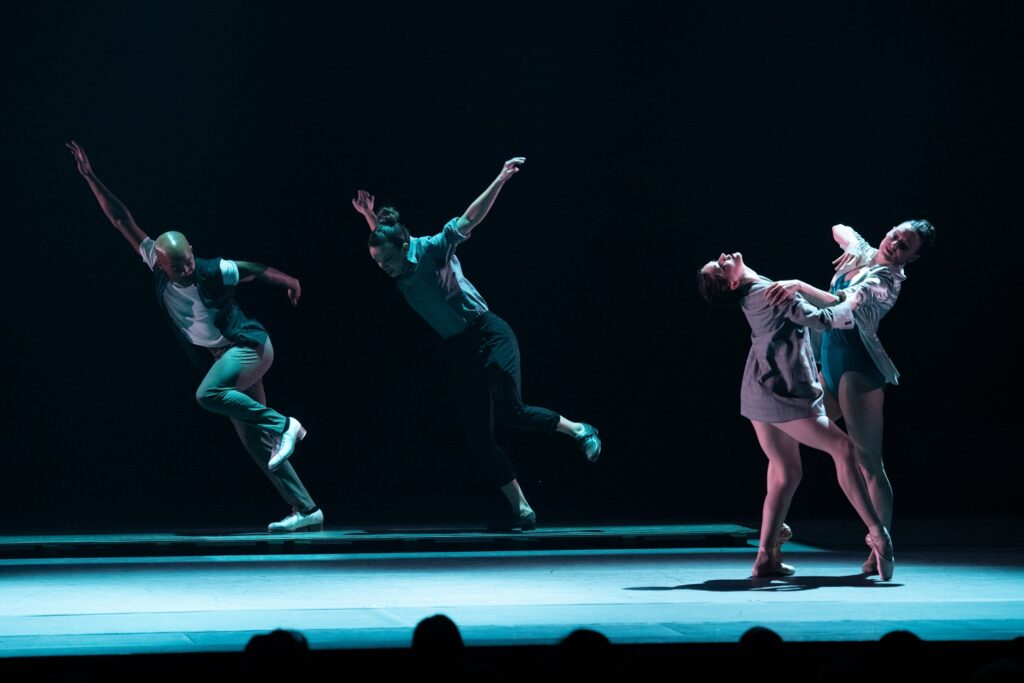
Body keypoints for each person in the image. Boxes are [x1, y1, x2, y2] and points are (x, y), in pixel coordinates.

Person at [66, 140, 322, 533]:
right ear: (160, 262)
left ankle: (284, 424)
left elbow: (254, 269)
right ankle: (305, 509)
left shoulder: (211, 269)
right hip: (225, 357)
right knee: (254, 441)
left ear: (192, 252)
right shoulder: (154, 259)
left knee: (207, 395)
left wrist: (291, 281)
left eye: (186, 261)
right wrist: (90, 178)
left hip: (249, 347)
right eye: (176, 267)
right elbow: (122, 219)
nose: (184, 270)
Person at [351, 157, 601, 530]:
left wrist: (500, 178)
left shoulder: (434, 249)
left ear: (403, 247)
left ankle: (579, 430)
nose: (383, 268)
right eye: (377, 263)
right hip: (460, 349)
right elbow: (387, 239)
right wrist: (371, 219)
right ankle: (522, 510)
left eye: (386, 260)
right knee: (478, 438)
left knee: (512, 412)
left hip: (489, 332)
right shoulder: (396, 261)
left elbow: (469, 219)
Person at [699, 252, 894, 580]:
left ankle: (765, 558)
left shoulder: (758, 291)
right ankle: (879, 533)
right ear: (732, 281)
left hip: (760, 388)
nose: (722, 257)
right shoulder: (767, 292)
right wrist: (852, 303)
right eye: (719, 266)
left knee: (786, 472)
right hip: (782, 393)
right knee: (844, 450)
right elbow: (820, 320)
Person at [764, 220, 935, 575]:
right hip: (830, 361)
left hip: (858, 367)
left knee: (868, 461)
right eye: (895, 234)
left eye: (905, 246)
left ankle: (880, 546)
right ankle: (773, 534)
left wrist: (799, 285)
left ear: (912, 259)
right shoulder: (867, 255)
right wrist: (856, 248)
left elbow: (841, 305)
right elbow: (838, 227)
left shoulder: (885, 281)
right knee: (783, 432)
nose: (895, 244)